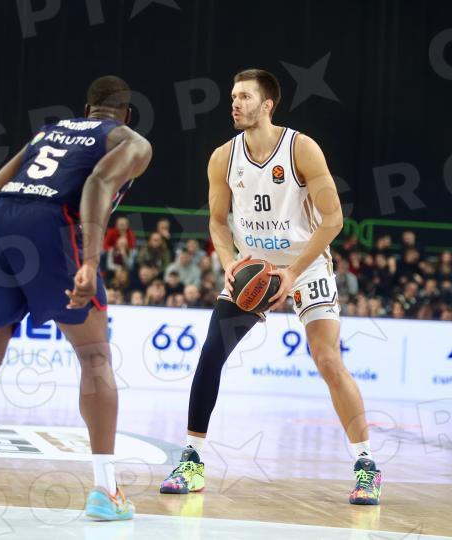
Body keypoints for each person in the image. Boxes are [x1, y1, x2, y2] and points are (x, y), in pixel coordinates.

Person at [0, 76, 152, 522]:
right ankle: (106, 490)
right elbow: (98, 184)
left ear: (87, 109)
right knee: (95, 358)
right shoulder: (131, 141)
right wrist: (88, 261)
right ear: (126, 114)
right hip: (53, 225)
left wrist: (3, 249)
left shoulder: (48, 132)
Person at [159, 69, 382, 505]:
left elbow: (334, 220)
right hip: (253, 269)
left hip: (306, 265)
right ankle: (191, 460)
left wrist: (293, 272)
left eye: (244, 96)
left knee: (327, 359)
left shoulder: (301, 149)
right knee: (211, 352)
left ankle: (366, 464)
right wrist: (229, 264)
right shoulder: (222, 158)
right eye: (233, 96)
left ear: (267, 105)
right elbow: (217, 222)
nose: (234, 103)